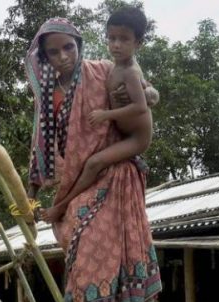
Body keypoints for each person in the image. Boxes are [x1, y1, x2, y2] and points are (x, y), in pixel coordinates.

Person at [25, 17, 162, 302]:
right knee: (78, 248)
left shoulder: (102, 70)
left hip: (115, 176)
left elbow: (146, 91)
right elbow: (41, 148)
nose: (63, 57)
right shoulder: (48, 97)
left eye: (68, 48)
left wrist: (147, 93)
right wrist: (30, 200)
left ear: (79, 47)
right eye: (53, 52)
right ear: (44, 58)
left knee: (93, 248)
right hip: (75, 183)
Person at [44, 7, 152, 223]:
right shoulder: (48, 94)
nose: (116, 45)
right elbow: (44, 139)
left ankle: (60, 206)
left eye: (123, 39)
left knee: (94, 163)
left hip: (134, 141)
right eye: (112, 38)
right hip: (89, 159)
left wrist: (106, 114)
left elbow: (144, 101)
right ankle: (63, 204)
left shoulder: (114, 69)